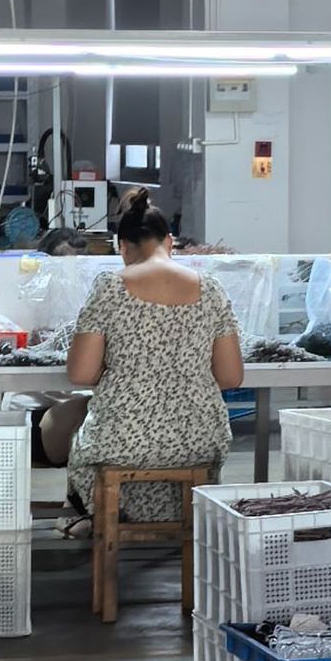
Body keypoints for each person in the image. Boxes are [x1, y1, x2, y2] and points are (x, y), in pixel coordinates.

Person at [64, 188, 245, 528]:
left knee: (69, 431)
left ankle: (109, 520)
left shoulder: (110, 288)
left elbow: (81, 373)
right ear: (170, 242)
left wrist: (119, 369)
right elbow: (231, 377)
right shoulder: (211, 290)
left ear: (122, 247)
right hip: (199, 441)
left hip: (122, 442)